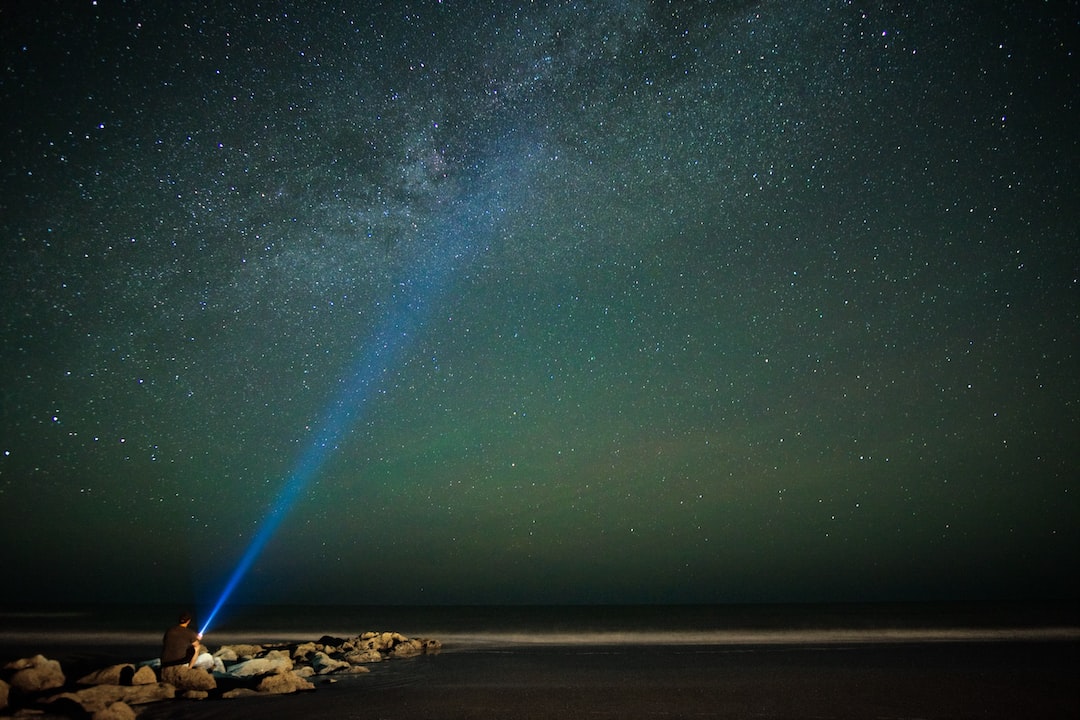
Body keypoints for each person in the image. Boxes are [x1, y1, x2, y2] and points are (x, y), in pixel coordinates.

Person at [160, 612, 217, 690]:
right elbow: (196, 646)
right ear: (188, 621)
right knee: (208, 657)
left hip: (165, 664)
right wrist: (189, 668)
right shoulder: (189, 633)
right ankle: (191, 668)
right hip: (180, 665)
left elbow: (177, 643)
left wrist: (194, 638)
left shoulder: (169, 631)